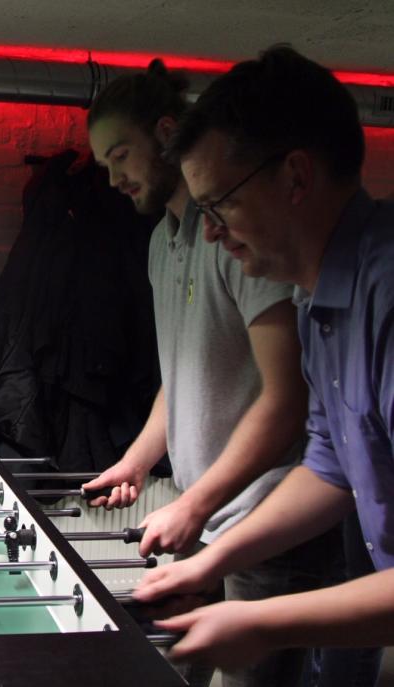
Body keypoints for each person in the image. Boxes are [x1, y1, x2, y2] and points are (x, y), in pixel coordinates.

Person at [132, 45, 393, 678]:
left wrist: (261, 620)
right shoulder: (315, 298)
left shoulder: (388, 294)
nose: (212, 233)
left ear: (296, 177)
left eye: (219, 205)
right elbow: (330, 470)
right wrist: (207, 563)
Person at [82, 61, 337, 686]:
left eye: (121, 155)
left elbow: (287, 402)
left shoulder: (241, 240)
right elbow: (186, 367)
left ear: (167, 132)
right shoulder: (160, 241)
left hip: (267, 524)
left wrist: (194, 504)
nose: (113, 178)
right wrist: (139, 460)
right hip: (209, 518)